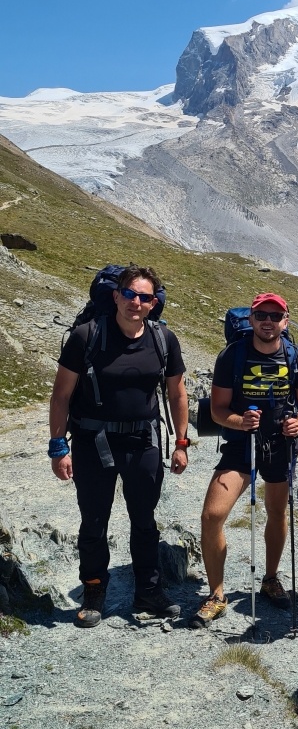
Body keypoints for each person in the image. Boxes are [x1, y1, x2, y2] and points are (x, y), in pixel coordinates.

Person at [49, 264, 189, 626]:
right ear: (116, 296)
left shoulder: (163, 339)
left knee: (144, 519)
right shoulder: (87, 335)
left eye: (144, 297)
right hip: (91, 442)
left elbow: (177, 393)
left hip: (143, 441)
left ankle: (149, 589)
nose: (136, 302)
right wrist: (58, 447)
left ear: (154, 303)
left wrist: (181, 442)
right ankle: (94, 590)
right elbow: (61, 396)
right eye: (129, 294)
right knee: (94, 520)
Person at [194, 293, 298, 627]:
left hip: (280, 443)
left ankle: (271, 578)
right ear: (250, 319)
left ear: (285, 321)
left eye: (275, 316)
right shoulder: (231, 356)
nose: (268, 321)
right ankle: (217, 594)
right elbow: (219, 409)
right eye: (261, 314)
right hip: (240, 443)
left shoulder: (296, 358)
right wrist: (239, 422)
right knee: (212, 515)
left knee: (277, 512)